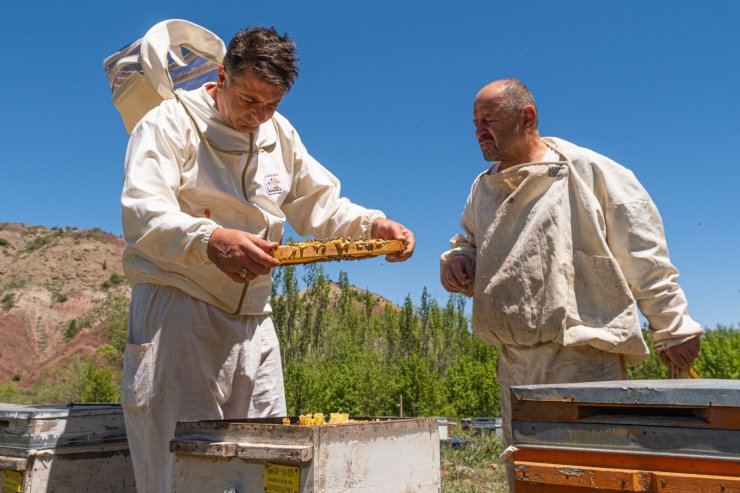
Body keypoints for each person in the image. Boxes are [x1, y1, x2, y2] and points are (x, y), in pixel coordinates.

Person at [120, 27, 414, 492]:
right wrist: (210, 238)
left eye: (271, 105)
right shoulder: (166, 123)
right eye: (249, 100)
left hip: (256, 318)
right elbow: (142, 212)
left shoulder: (280, 133)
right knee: (178, 466)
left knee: (264, 459)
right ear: (222, 76)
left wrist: (372, 226)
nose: (258, 116)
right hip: (179, 309)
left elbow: (321, 203)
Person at [440, 78, 702, 456]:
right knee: (531, 472)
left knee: (591, 470)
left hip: (585, 359)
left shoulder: (590, 171)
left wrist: (673, 326)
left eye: (489, 119)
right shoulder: (482, 188)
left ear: (526, 117)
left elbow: (643, 254)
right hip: (513, 365)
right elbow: (468, 240)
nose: (480, 131)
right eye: (475, 123)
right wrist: (460, 260)